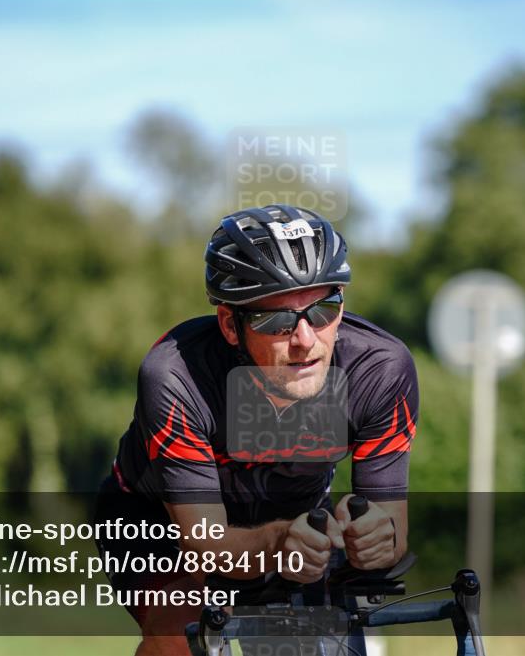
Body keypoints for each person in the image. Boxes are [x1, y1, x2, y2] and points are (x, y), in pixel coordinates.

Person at [94, 204, 418, 655]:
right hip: (160, 520)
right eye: (276, 319)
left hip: (295, 516)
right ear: (230, 325)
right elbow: (209, 548)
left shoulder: (379, 370)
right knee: (183, 634)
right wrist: (279, 541)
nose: (305, 339)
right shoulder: (176, 375)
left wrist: (377, 540)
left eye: (323, 309)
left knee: (316, 640)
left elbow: (393, 530)